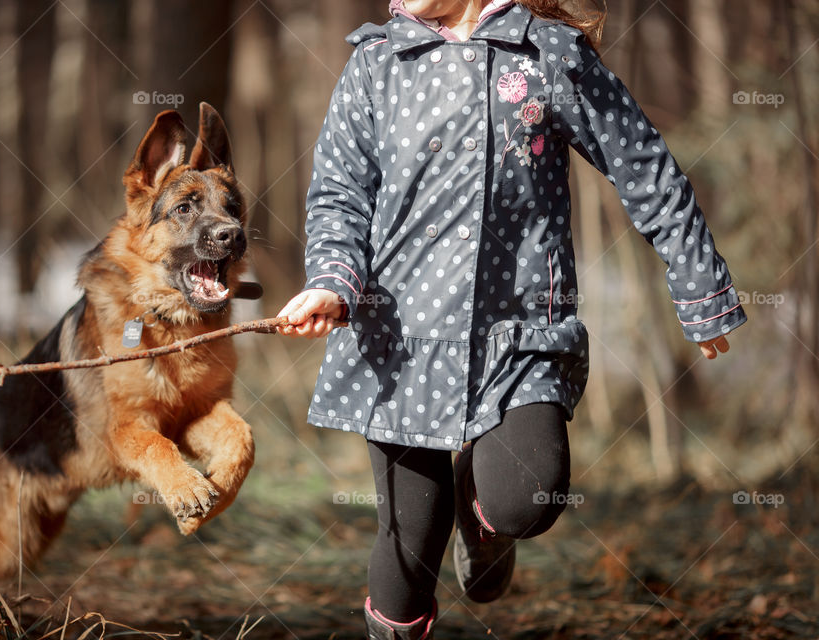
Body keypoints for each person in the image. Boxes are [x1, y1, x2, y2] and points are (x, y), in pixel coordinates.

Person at [277, 0, 747, 637]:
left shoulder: (548, 54)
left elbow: (644, 166)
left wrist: (700, 288)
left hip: (521, 336)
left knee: (528, 498)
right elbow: (339, 196)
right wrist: (334, 285)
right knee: (412, 541)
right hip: (400, 340)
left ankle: (487, 519)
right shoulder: (376, 63)